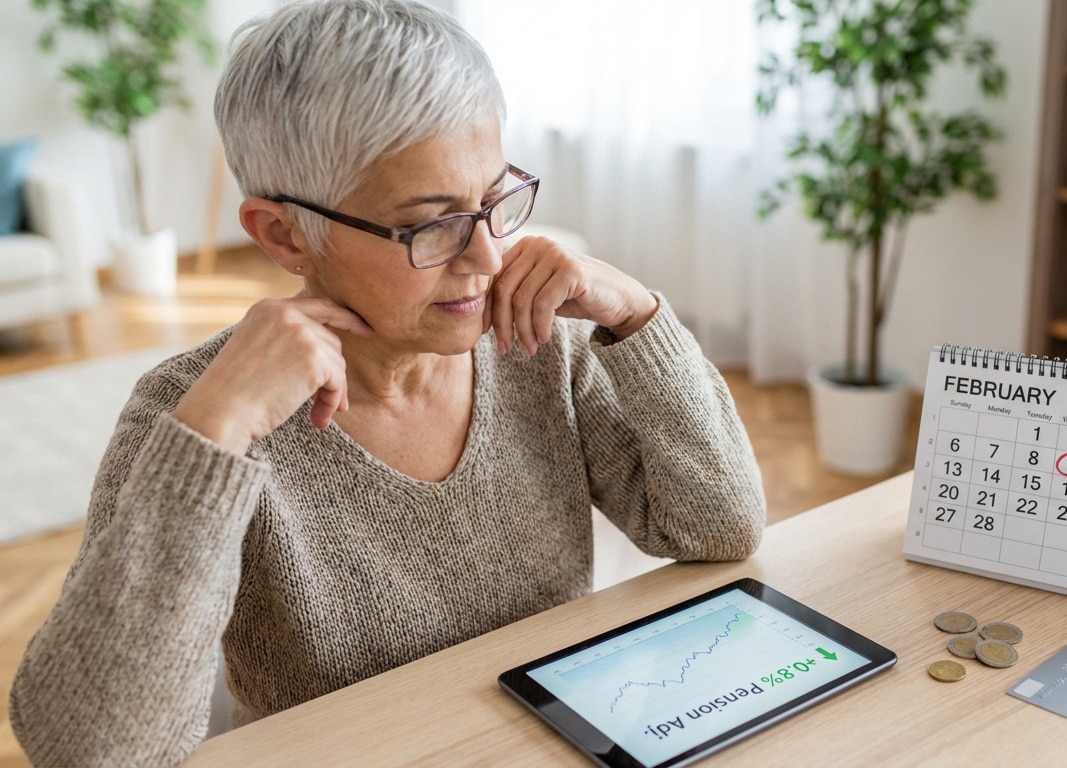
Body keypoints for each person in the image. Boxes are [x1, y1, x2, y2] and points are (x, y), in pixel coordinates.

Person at [8, 1, 766, 764]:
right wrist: (212, 434)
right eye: (430, 226)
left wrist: (637, 317)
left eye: (494, 199)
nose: (488, 258)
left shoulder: (539, 344)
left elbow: (719, 530)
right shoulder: (193, 413)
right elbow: (90, 754)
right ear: (284, 234)